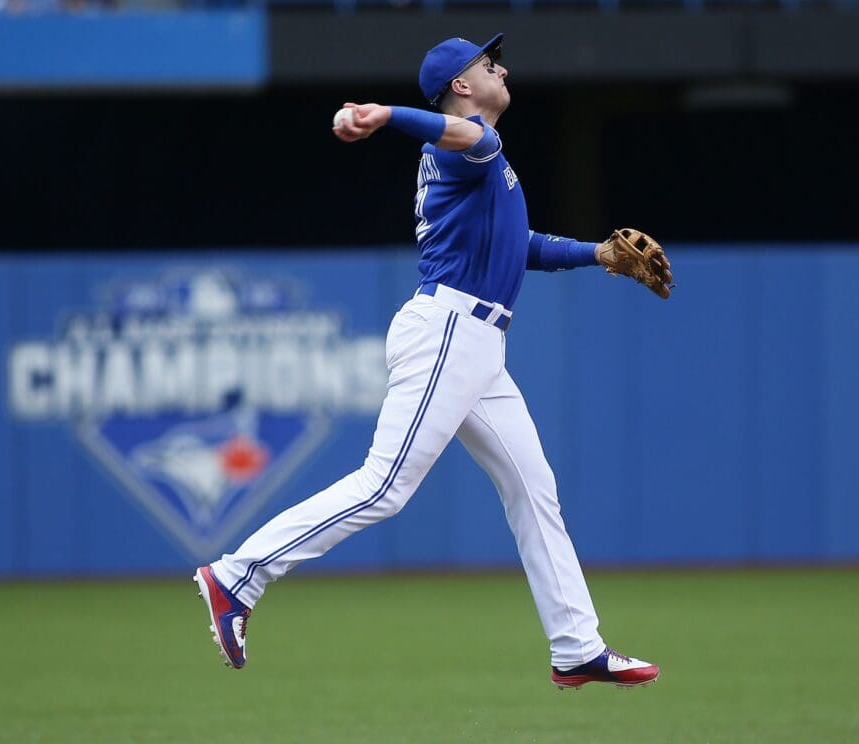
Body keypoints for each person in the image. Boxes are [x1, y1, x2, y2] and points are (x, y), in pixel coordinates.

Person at [195, 33, 670, 690]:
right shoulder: (471, 143)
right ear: (462, 86)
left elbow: (519, 243)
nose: (501, 65)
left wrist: (597, 254)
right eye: (485, 62)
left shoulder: (481, 161)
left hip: (478, 347)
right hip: (448, 329)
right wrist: (386, 115)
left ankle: (575, 647)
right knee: (385, 486)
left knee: (534, 490)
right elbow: (445, 131)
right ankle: (236, 576)